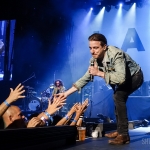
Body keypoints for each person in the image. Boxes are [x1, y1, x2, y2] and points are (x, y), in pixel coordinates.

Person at [58, 33, 144, 145]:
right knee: (117, 99)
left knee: (118, 96)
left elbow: (121, 78)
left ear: (104, 47)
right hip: (121, 79)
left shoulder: (116, 54)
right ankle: (120, 131)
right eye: (90, 48)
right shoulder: (94, 60)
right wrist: (65, 93)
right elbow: (86, 78)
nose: (92, 51)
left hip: (135, 76)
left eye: (96, 48)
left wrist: (98, 73)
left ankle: (123, 135)